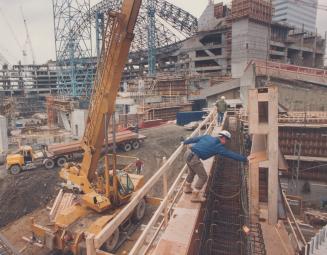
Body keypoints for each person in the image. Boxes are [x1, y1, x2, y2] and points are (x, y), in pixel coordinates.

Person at [183, 130, 248, 203]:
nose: (226, 142)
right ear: (223, 138)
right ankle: (195, 196)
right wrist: (244, 159)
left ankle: (187, 188)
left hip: (187, 153)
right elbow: (231, 154)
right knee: (203, 177)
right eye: (226, 140)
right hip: (194, 158)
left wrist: (185, 142)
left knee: (192, 172)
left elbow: (194, 139)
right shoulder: (219, 147)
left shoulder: (207, 137)